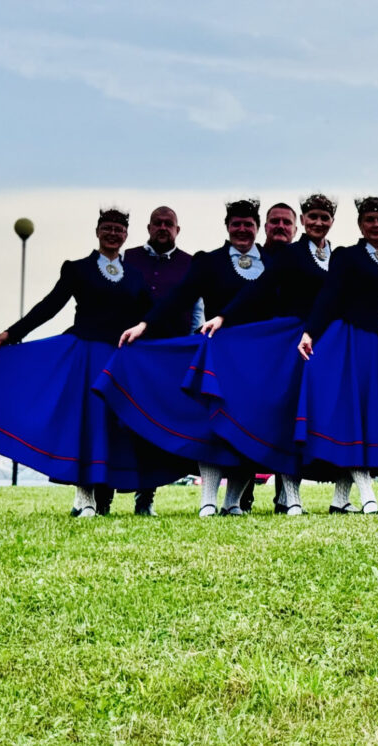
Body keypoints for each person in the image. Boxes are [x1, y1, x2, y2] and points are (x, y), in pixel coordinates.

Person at [0, 208, 186, 517]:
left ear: (126, 235)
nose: (113, 233)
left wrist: (183, 346)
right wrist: (14, 332)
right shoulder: (77, 269)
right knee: (85, 427)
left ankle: (107, 500)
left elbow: (153, 316)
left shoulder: (135, 276)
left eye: (119, 229)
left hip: (118, 364)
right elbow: (50, 305)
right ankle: (85, 500)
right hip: (85, 359)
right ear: (97, 231)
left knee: (114, 430)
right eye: (107, 228)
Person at [101, 199, 270, 518]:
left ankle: (233, 502)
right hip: (218, 356)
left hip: (260, 359)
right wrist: (145, 324)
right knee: (212, 428)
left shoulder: (272, 262)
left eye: (248, 224)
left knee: (252, 429)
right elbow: (180, 297)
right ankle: (206, 501)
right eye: (236, 223)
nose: (242, 229)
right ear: (227, 227)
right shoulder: (209, 261)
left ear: (257, 228)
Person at [193, 193, 347, 515]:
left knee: (319, 416)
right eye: (313, 216)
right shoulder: (290, 254)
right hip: (291, 343)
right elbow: (259, 287)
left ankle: (330, 496)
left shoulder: (339, 256)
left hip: (327, 344)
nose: (318, 222)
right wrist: (223, 317)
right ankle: (289, 498)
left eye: (325, 217)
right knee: (286, 416)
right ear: (304, 220)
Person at [296, 196, 378, 514]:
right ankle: (367, 493)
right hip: (353, 345)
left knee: (371, 420)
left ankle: (340, 500)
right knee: (353, 418)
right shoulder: (346, 256)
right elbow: (329, 295)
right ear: (360, 224)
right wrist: (310, 332)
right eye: (370, 219)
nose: (376, 225)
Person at [108, 205, 199, 516]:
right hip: (131, 355)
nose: (163, 228)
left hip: (171, 356)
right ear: (148, 228)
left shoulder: (190, 263)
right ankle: (104, 496)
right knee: (119, 422)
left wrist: (192, 344)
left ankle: (145, 498)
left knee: (155, 428)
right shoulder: (128, 258)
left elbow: (196, 308)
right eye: (157, 223)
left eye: (168, 224)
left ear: (177, 229)